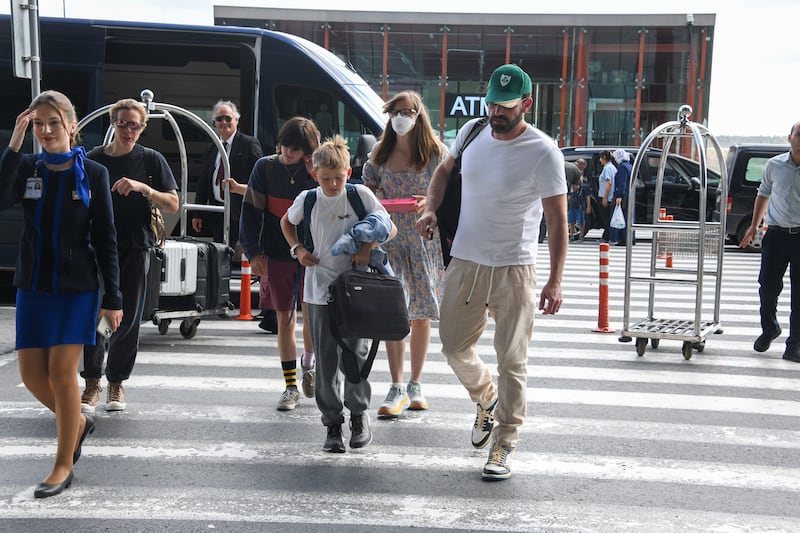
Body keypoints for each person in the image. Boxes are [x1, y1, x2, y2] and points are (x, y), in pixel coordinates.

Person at [416, 64, 567, 481]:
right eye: (491, 105)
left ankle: (504, 442)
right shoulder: (471, 132)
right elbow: (444, 171)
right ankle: (486, 398)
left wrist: (555, 279)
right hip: (465, 260)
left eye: (505, 107)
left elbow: (556, 221)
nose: (496, 113)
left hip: (515, 268)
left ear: (526, 104)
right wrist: (430, 207)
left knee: (512, 361)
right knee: (452, 346)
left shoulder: (543, 152)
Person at [0, 90, 123, 498]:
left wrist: (114, 297)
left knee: (61, 373)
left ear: (72, 125)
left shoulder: (94, 174)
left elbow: (106, 237)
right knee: (32, 376)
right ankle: (80, 423)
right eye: (39, 124)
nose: (47, 130)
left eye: (54, 122)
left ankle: (62, 463)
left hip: (77, 288)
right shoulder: (29, 166)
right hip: (33, 285)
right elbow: (1, 198)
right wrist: (14, 147)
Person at [280, 135, 396, 453]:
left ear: (349, 171)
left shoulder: (360, 195)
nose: (333, 184)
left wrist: (366, 247)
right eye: (326, 179)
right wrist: (298, 249)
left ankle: (358, 416)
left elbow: (390, 228)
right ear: (315, 174)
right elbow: (286, 223)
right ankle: (332, 423)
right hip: (318, 291)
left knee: (355, 359)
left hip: (355, 292)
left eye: (339, 178)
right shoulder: (308, 199)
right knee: (326, 363)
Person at [80, 98, 179, 413]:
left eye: (134, 124)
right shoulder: (94, 158)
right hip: (96, 246)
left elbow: (173, 204)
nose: (128, 130)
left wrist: (142, 188)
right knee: (95, 313)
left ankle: (116, 383)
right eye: (122, 123)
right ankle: (92, 381)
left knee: (129, 317)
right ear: (112, 123)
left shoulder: (150, 160)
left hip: (136, 246)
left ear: (144, 127)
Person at [363, 91, 446, 418]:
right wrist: (378, 198)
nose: (400, 117)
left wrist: (430, 202)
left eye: (407, 112)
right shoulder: (378, 155)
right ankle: (396, 385)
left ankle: (415, 383)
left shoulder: (437, 153)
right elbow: (365, 192)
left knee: (421, 313)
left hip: (423, 242)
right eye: (395, 112)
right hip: (389, 241)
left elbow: (451, 190)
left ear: (418, 114)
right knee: (394, 313)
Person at [240, 117, 319, 411]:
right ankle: (290, 386)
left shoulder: (318, 168)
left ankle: (309, 364)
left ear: (308, 150)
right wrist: (253, 253)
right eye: (286, 145)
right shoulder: (265, 167)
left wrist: (314, 172)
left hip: (314, 255)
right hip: (276, 252)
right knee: (284, 319)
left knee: (312, 317)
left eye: (297, 149)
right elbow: (250, 212)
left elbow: (337, 198)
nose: (288, 152)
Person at [740, 121, 800, 363]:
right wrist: (754, 226)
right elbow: (763, 194)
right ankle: (770, 329)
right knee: (767, 287)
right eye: (799, 134)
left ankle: (794, 345)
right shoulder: (774, 165)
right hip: (775, 235)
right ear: (790, 138)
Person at [191, 100, 262, 246]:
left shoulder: (249, 144)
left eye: (228, 118)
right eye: (219, 119)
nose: (224, 122)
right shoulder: (212, 148)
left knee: (247, 252)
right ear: (214, 122)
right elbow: (203, 182)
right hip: (218, 210)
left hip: (241, 210)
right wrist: (197, 213)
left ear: (236, 119)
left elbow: (259, 176)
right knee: (220, 252)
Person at [610, 148, 633, 246]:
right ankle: (630, 238)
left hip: (624, 196)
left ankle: (623, 238)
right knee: (629, 217)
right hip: (629, 194)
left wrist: (619, 196)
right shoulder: (629, 165)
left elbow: (622, 183)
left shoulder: (622, 167)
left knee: (622, 216)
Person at [598, 150, 616, 243]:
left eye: (600, 158)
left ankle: (606, 237)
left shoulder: (607, 168)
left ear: (604, 157)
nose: (600, 160)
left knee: (606, 219)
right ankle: (606, 236)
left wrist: (605, 197)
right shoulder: (612, 167)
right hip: (610, 197)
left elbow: (609, 182)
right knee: (608, 218)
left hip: (607, 197)